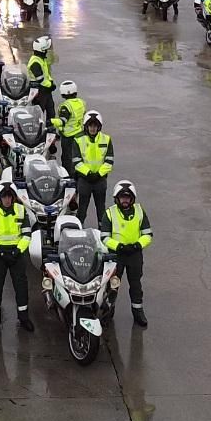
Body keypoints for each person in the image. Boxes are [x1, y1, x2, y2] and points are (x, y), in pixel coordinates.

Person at [0, 182, 34, 334]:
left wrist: (18, 251)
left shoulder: (21, 210)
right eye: (4, 196)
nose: (7, 200)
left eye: (10, 196)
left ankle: (24, 318)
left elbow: (27, 235)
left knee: (21, 286)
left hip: (16, 253)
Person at [100, 180, 153, 327]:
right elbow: (104, 237)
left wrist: (137, 245)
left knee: (136, 285)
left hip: (135, 255)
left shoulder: (140, 211)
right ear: (116, 198)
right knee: (112, 285)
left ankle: (138, 312)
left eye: (127, 198)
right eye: (122, 198)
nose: (125, 200)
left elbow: (148, 234)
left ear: (132, 198)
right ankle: (107, 311)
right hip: (116, 255)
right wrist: (119, 247)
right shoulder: (109, 213)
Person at [72, 111, 113, 225]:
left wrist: (99, 174)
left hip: (100, 180)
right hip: (84, 180)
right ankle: (79, 231)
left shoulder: (106, 139)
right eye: (90, 125)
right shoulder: (78, 139)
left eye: (95, 126)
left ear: (99, 127)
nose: (92, 128)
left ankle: (103, 233)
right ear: (86, 126)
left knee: (101, 209)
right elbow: (76, 161)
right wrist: (88, 173)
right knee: (82, 210)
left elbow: (109, 161)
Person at [52, 80, 86, 167]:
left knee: (67, 159)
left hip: (68, 137)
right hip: (79, 133)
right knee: (78, 156)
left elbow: (62, 121)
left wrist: (49, 121)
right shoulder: (81, 102)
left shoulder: (66, 106)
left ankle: (69, 177)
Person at [27, 35, 56, 118]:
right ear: (42, 50)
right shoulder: (35, 63)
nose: (47, 51)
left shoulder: (41, 59)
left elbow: (46, 75)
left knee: (51, 112)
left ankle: (50, 127)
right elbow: (40, 80)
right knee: (39, 113)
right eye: (46, 49)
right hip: (39, 92)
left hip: (45, 90)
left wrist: (51, 81)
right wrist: (50, 85)